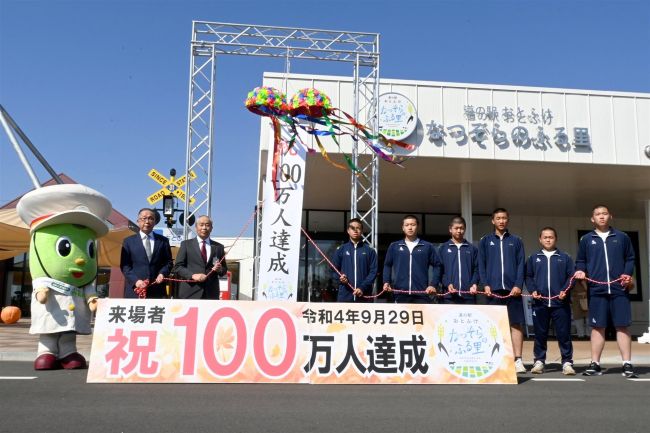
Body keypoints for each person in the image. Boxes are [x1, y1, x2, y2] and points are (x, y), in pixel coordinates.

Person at [574, 205, 637, 378]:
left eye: (604, 213)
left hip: (619, 289)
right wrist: (580, 271)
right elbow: (581, 260)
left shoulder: (622, 237)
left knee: (622, 326)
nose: (601, 217)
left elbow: (630, 258)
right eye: (598, 214)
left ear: (610, 216)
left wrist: (627, 273)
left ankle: (627, 364)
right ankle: (595, 364)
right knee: (597, 326)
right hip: (597, 289)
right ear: (592, 219)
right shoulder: (586, 239)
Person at [479, 208, 526, 373]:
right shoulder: (485, 241)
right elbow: (481, 265)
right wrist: (485, 284)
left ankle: (518, 359)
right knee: (493, 326)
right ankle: (495, 358)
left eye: (504, 218)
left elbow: (521, 265)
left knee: (516, 324)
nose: (501, 221)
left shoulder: (516, 241)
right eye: (498, 218)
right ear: (493, 221)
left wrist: (518, 285)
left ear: (508, 220)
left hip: (513, 290)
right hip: (493, 290)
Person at [525, 227, 576, 375]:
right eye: (545, 237)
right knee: (540, 333)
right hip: (540, 303)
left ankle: (567, 362)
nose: (548, 239)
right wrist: (532, 290)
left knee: (564, 333)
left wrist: (565, 290)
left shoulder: (565, 257)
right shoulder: (534, 258)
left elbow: (571, 277)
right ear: (540, 239)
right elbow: (528, 276)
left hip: (560, 303)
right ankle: (539, 361)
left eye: (551, 237)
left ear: (556, 239)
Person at [383, 215, 441, 304]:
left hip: (422, 293)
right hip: (400, 293)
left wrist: (433, 285)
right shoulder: (394, 246)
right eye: (407, 225)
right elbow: (387, 265)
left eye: (413, 225)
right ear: (403, 228)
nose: (410, 227)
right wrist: (386, 281)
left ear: (418, 227)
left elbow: (437, 265)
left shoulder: (427, 246)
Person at [120, 208, 172, 298]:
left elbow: (168, 262)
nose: (147, 221)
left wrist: (162, 273)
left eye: (150, 218)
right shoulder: (128, 241)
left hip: (157, 290)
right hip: (135, 290)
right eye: (144, 218)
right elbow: (125, 265)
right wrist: (136, 281)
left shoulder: (163, 241)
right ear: (138, 221)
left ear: (155, 221)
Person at [173, 215, 228, 299]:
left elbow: (224, 270)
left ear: (211, 228)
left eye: (207, 225)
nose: (204, 228)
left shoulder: (218, 247)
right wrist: (192, 275)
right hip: (190, 292)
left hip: (211, 293)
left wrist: (219, 269)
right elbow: (178, 267)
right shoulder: (186, 244)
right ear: (196, 227)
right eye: (201, 225)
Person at [331, 218, 378, 302]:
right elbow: (333, 270)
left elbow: (373, 272)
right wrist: (340, 278)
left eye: (358, 228)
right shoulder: (341, 249)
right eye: (352, 228)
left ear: (362, 231)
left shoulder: (370, 250)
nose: (355, 230)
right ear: (348, 231)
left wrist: (362, 287)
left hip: (364, 296)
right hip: (345, 296)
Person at [438, 216, 479, 304]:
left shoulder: (472, 249)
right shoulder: (443, 248)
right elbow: (440, 270)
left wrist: (474, 284)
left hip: (469, 296)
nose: (459, 231)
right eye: (456, 228)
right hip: (449, 297)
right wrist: (447, 283)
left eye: (462, 228)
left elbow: (476, 269)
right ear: (450, 229)